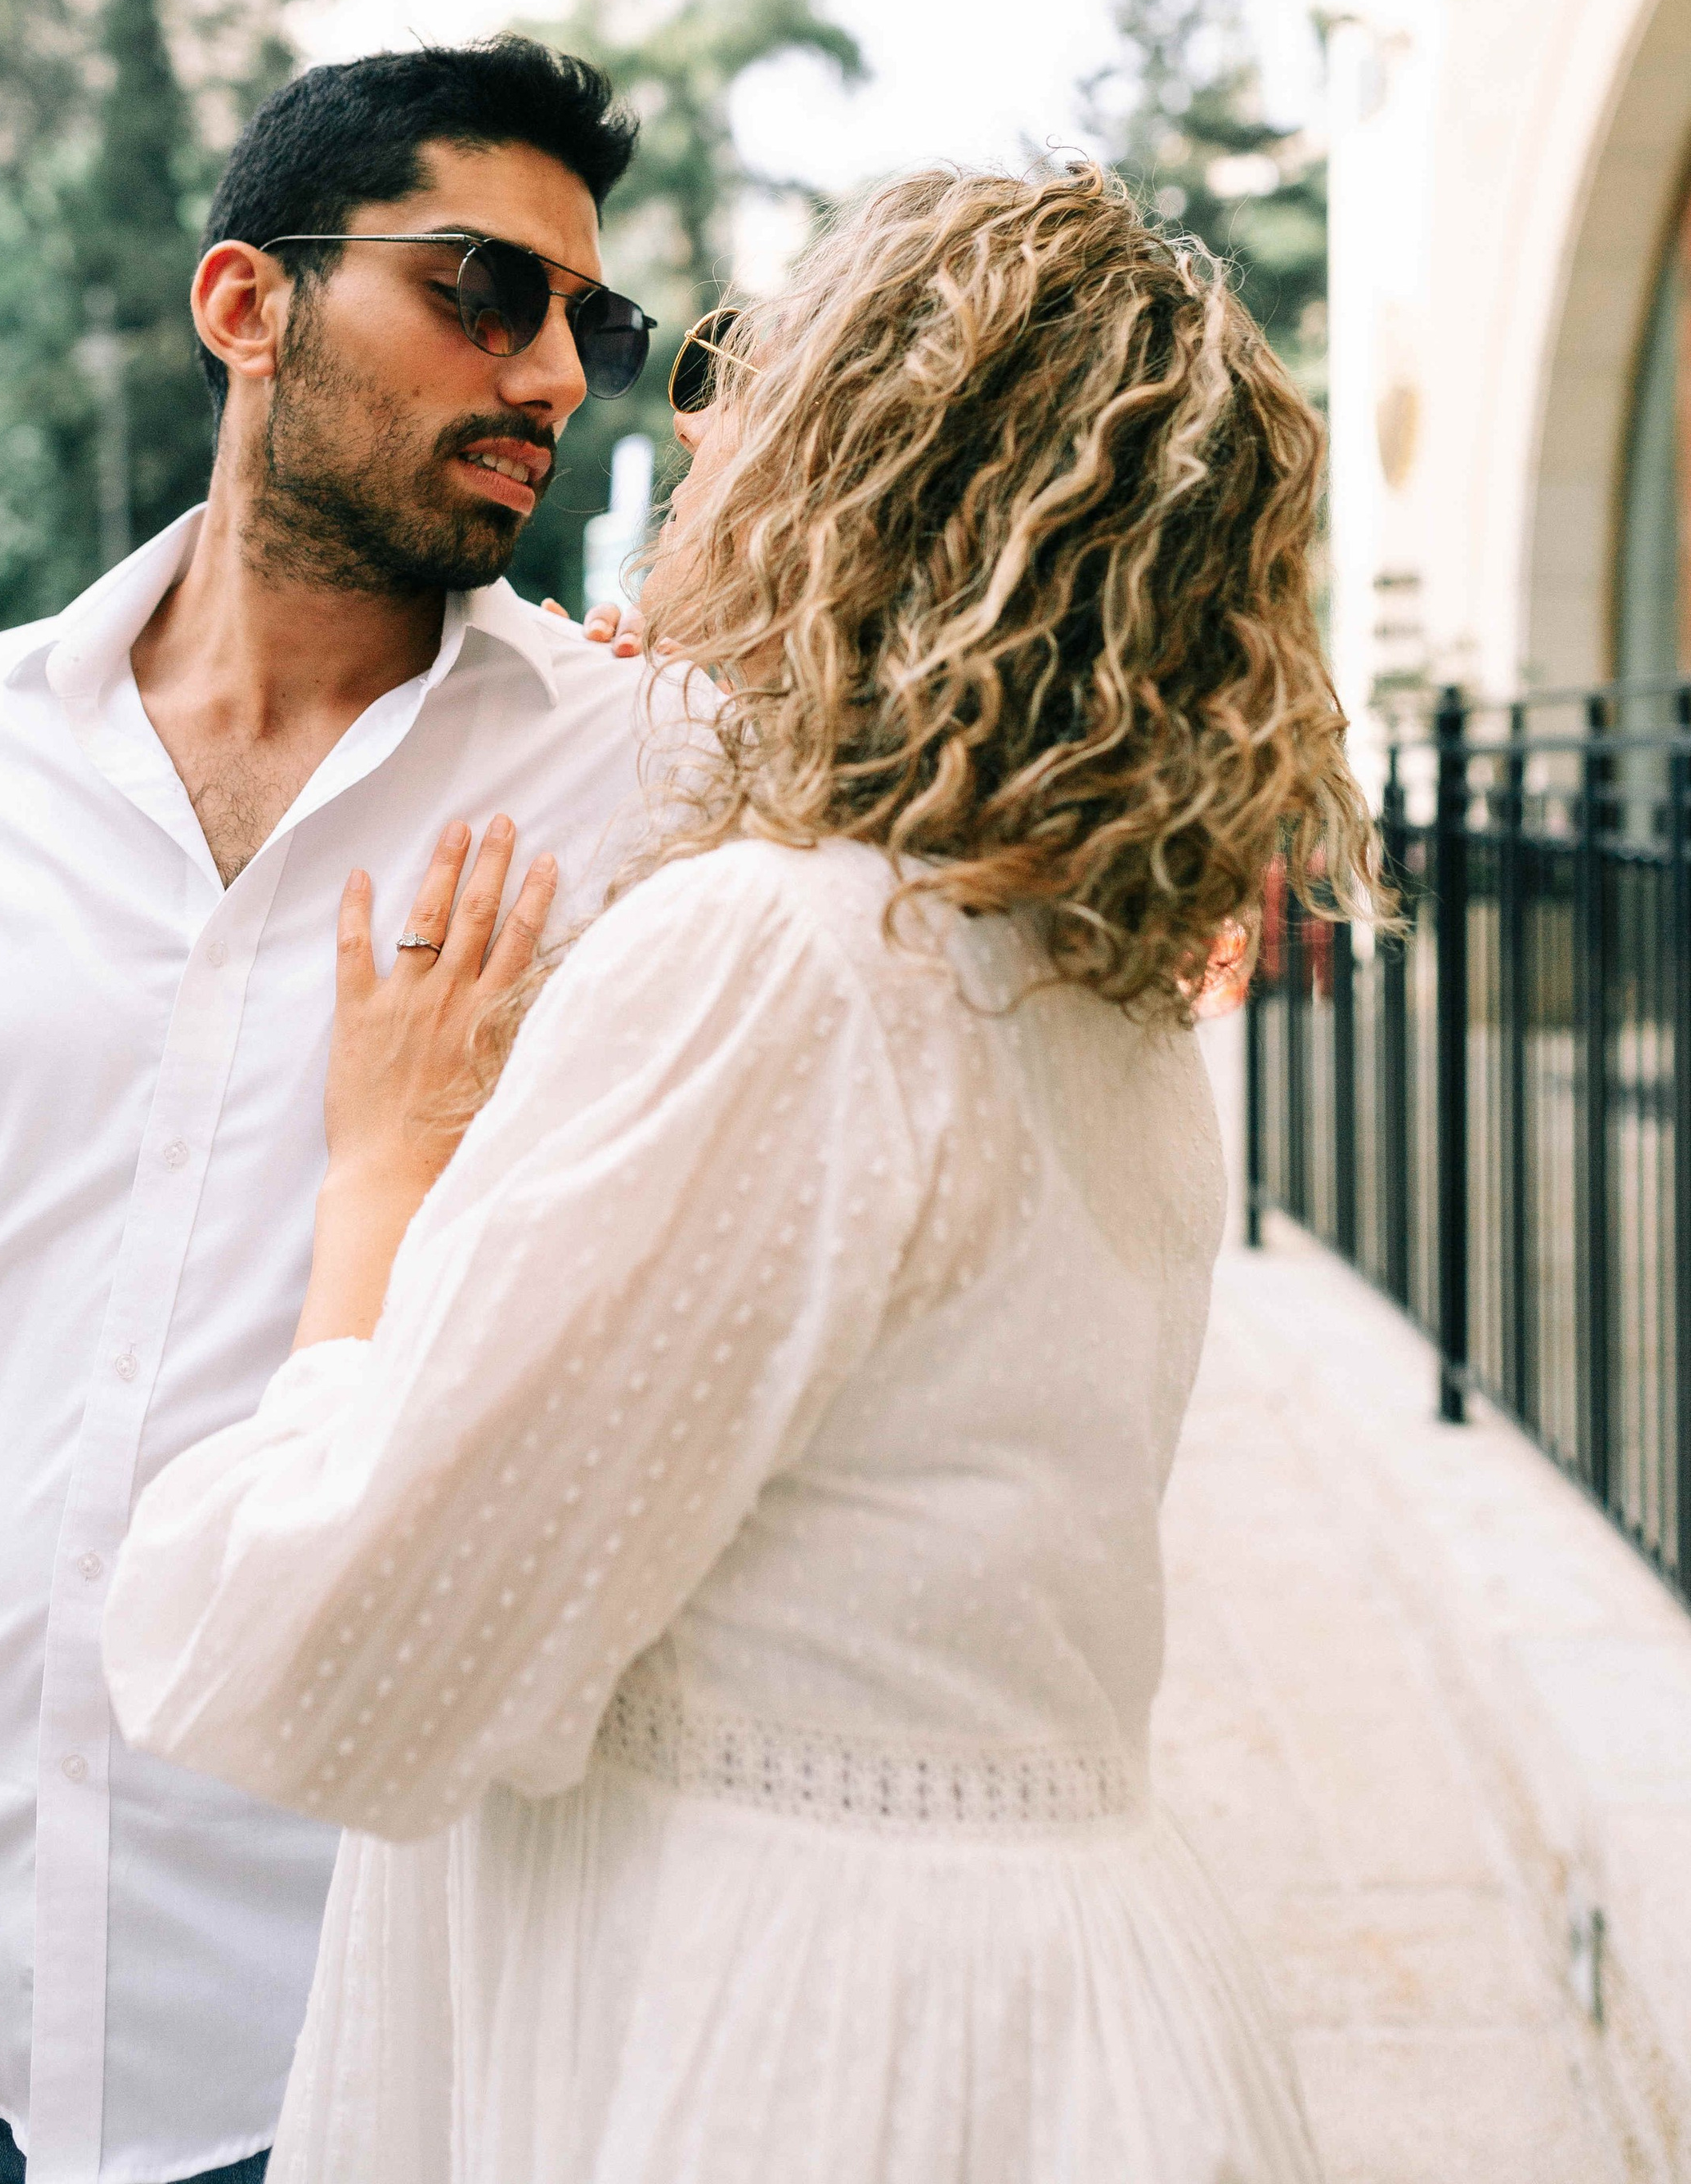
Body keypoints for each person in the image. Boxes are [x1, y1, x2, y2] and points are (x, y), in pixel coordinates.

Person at [102, 161, 1376, 2184]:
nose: (685, 418)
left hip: (804, 2048)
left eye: (750, 371)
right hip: (1058, 2009)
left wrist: (382, 1175)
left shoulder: (785, 957)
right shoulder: (1068, 970)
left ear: (879, 469)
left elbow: (339, 1656)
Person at [0, 40, 688, 2184]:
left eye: (592, 321)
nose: (556, 374)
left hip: (373, 2035)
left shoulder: (650, 778)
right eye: (486, 289)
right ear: (248, 306)